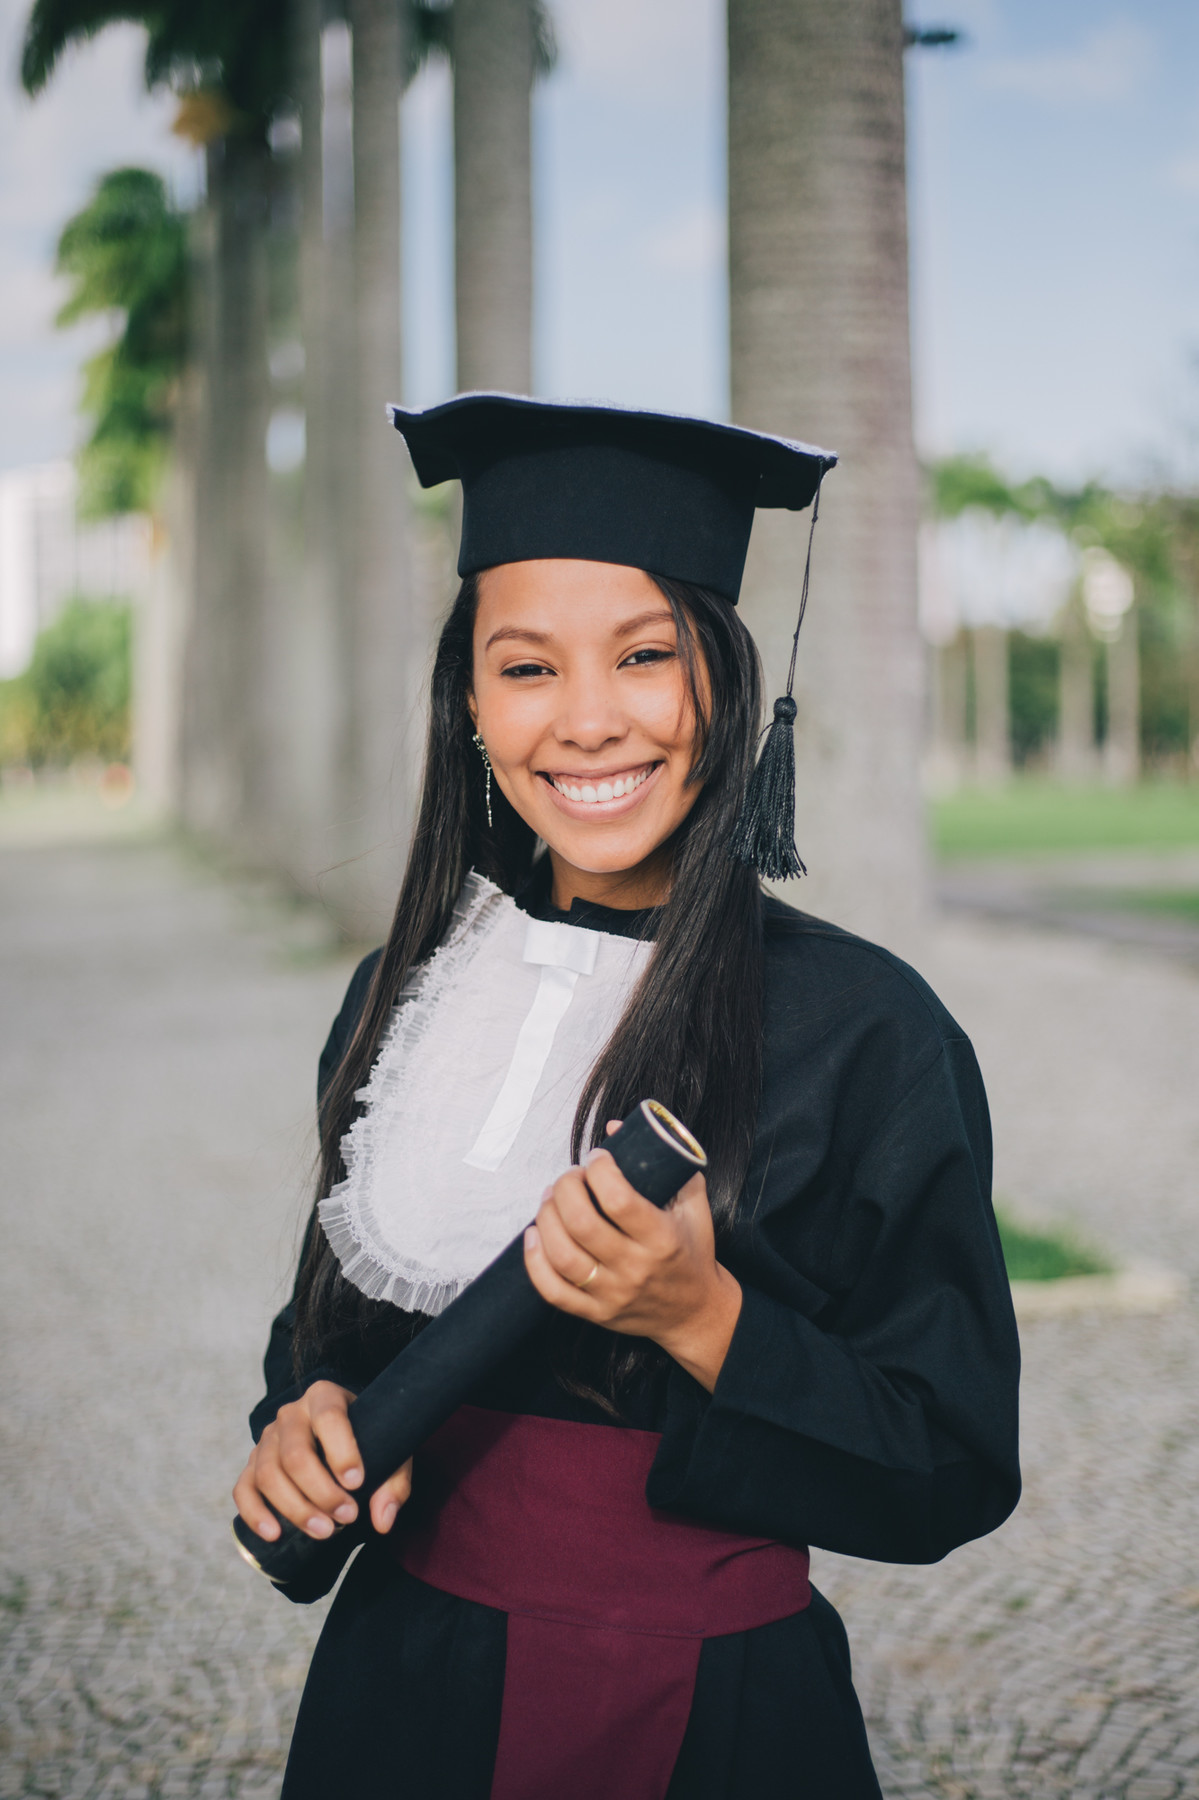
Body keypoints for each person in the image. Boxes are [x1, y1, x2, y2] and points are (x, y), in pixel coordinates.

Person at [233, 395, 1020, 1800]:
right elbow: (321, 1344)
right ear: (467, 705)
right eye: (525, 668)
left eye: (645, 656)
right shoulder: (400, 1000)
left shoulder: (869, 1032)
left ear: (723, 677)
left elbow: (949, 1469)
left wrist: (701, 1316)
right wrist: (301, 1421)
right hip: (401, 1696)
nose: (588, 720)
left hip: (712, 1713)